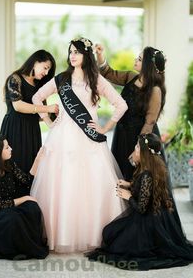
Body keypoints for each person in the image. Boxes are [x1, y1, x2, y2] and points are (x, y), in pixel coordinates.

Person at [30, 37, 128, 253]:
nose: (72, 55)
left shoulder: (97, 80)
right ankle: (62, 235)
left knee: (90, 187)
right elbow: (37, 98)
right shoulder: (61, 79)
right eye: (71, 51)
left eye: (77, 52)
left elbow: (121, 104)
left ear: (87, 55)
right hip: (62, 139)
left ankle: (92, 236)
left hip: (89, 140)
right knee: (63, 186)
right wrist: (48, 121)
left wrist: (105, 127)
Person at [86, 133, 193, 270]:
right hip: (155, 217)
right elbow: (145, 189)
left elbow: (142, 208)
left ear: (144, 152)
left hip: (148, 223)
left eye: (137, 146)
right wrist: (130, 184)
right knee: (111, 232)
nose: (135, 148)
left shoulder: (147, 174)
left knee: (112, 237)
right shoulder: (153, 167)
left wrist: (128, 195)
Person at [95, 44, 166, 181]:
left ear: (147, 65)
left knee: (136, 177)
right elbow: (108, 72)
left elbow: (149, 122)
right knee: (120, 174)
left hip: (140, 137)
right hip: (122, 135)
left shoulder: (155, 90)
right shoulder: (131, 76)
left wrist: (139, 149)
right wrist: (100, 55)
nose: (136, 60)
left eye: (139, 59)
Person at [0, 50, 59, 198]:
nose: (46, 72)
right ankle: (12, 204)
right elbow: (18, 106)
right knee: (15, 165)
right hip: (14, 128)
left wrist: (53, 121)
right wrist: (47, 108)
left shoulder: (39, 85)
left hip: (32, 131)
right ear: (35, 61)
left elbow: (41, 114)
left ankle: (27, 203)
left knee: (32, 166)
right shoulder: (15, 79)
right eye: (45, 67)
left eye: (49, 70)